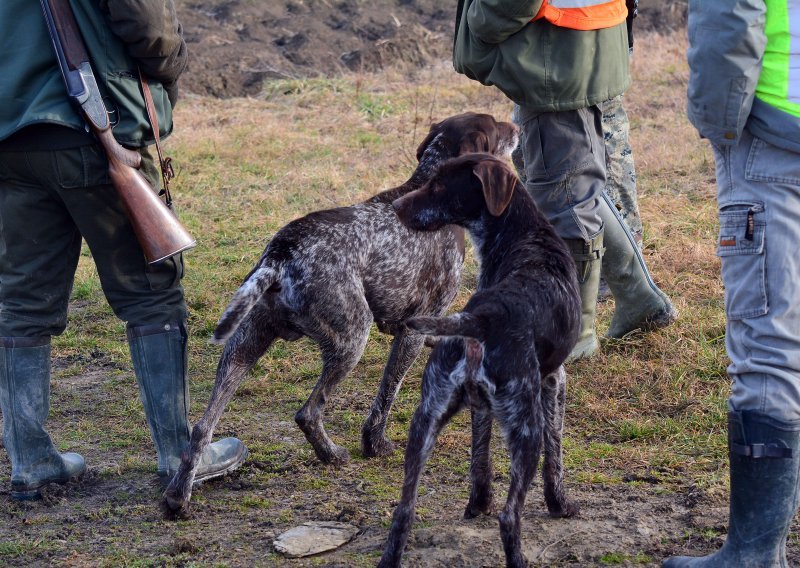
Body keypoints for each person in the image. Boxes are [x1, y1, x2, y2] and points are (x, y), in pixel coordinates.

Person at [0, 0, 247, 500]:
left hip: (10, 140)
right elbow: (149, 29)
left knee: (22, 304)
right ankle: (180, 453)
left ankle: (30, 461)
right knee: (151, 293)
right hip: (92, 129)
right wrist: (171, 64)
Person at [455, 0, 676, 362]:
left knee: (564, 195)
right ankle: (637, 296)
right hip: (583, 42)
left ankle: (573, 333)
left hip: (556, 53)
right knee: (577, 184)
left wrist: (481, 21)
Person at [663, 1, 800, 565]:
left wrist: (722, 126)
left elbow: (728, 18)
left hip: (776, 133)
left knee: (768, 345)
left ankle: (752, 554)